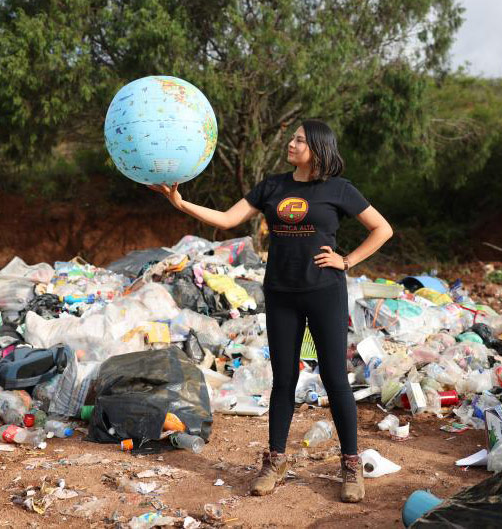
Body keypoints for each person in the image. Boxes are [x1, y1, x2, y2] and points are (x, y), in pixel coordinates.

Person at [149, 119, 393, 503]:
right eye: (292, 138)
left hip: (325, 292)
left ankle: (349, 464)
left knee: (334, 377)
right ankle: (275, 461)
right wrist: (180, 203)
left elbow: (382, 229)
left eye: (299, 139)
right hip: (280, 293)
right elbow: (229, 219)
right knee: (283, 379)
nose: (292, 143)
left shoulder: (339, 189)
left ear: (317, 147)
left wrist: (347, 260)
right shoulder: (273, 186)